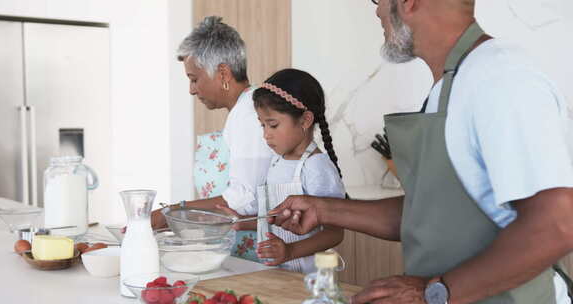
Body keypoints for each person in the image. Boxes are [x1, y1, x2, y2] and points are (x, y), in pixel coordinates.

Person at [268, 0, 573, 303]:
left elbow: (558, 223)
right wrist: (324, 210)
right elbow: (430, 211)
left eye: (379, 1)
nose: (377, 11)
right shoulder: (452, 84)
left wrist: (434, 292)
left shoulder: (501, 77)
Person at [150, 16, 273, 235]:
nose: (191, 90)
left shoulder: (248, 114)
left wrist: (176, 211)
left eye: (194, 79)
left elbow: (246, 200)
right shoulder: (243, 109)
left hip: (260, 249)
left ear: (223, 73)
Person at [220, 69, 345, 273]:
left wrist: (290, 250)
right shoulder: (277, 161)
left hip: (309, 280)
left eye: (273, 125)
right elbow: (276, 221)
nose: (266, 135)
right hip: (277, 275)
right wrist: (241, 223)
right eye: (262, 126)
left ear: (305, 120)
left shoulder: (316, 167)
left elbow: (335, 233)